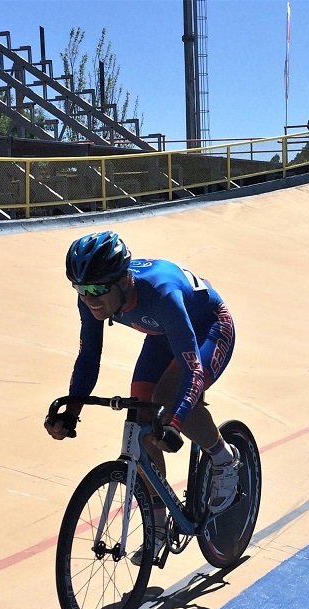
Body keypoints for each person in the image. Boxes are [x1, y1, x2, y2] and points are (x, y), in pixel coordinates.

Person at [46, 231, 241, 561]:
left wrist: (176, 423)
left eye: (97, 289)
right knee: (140, 416)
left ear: (123, 281)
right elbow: (88, 357)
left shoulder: (161, 293)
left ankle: (225, 458)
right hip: (165, 332)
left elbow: (192, 373)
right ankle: (158, 525)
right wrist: (71, 411)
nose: (89, 298)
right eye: (80, 289)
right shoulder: (93, 295)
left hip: (209, 326)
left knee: (167, 394)